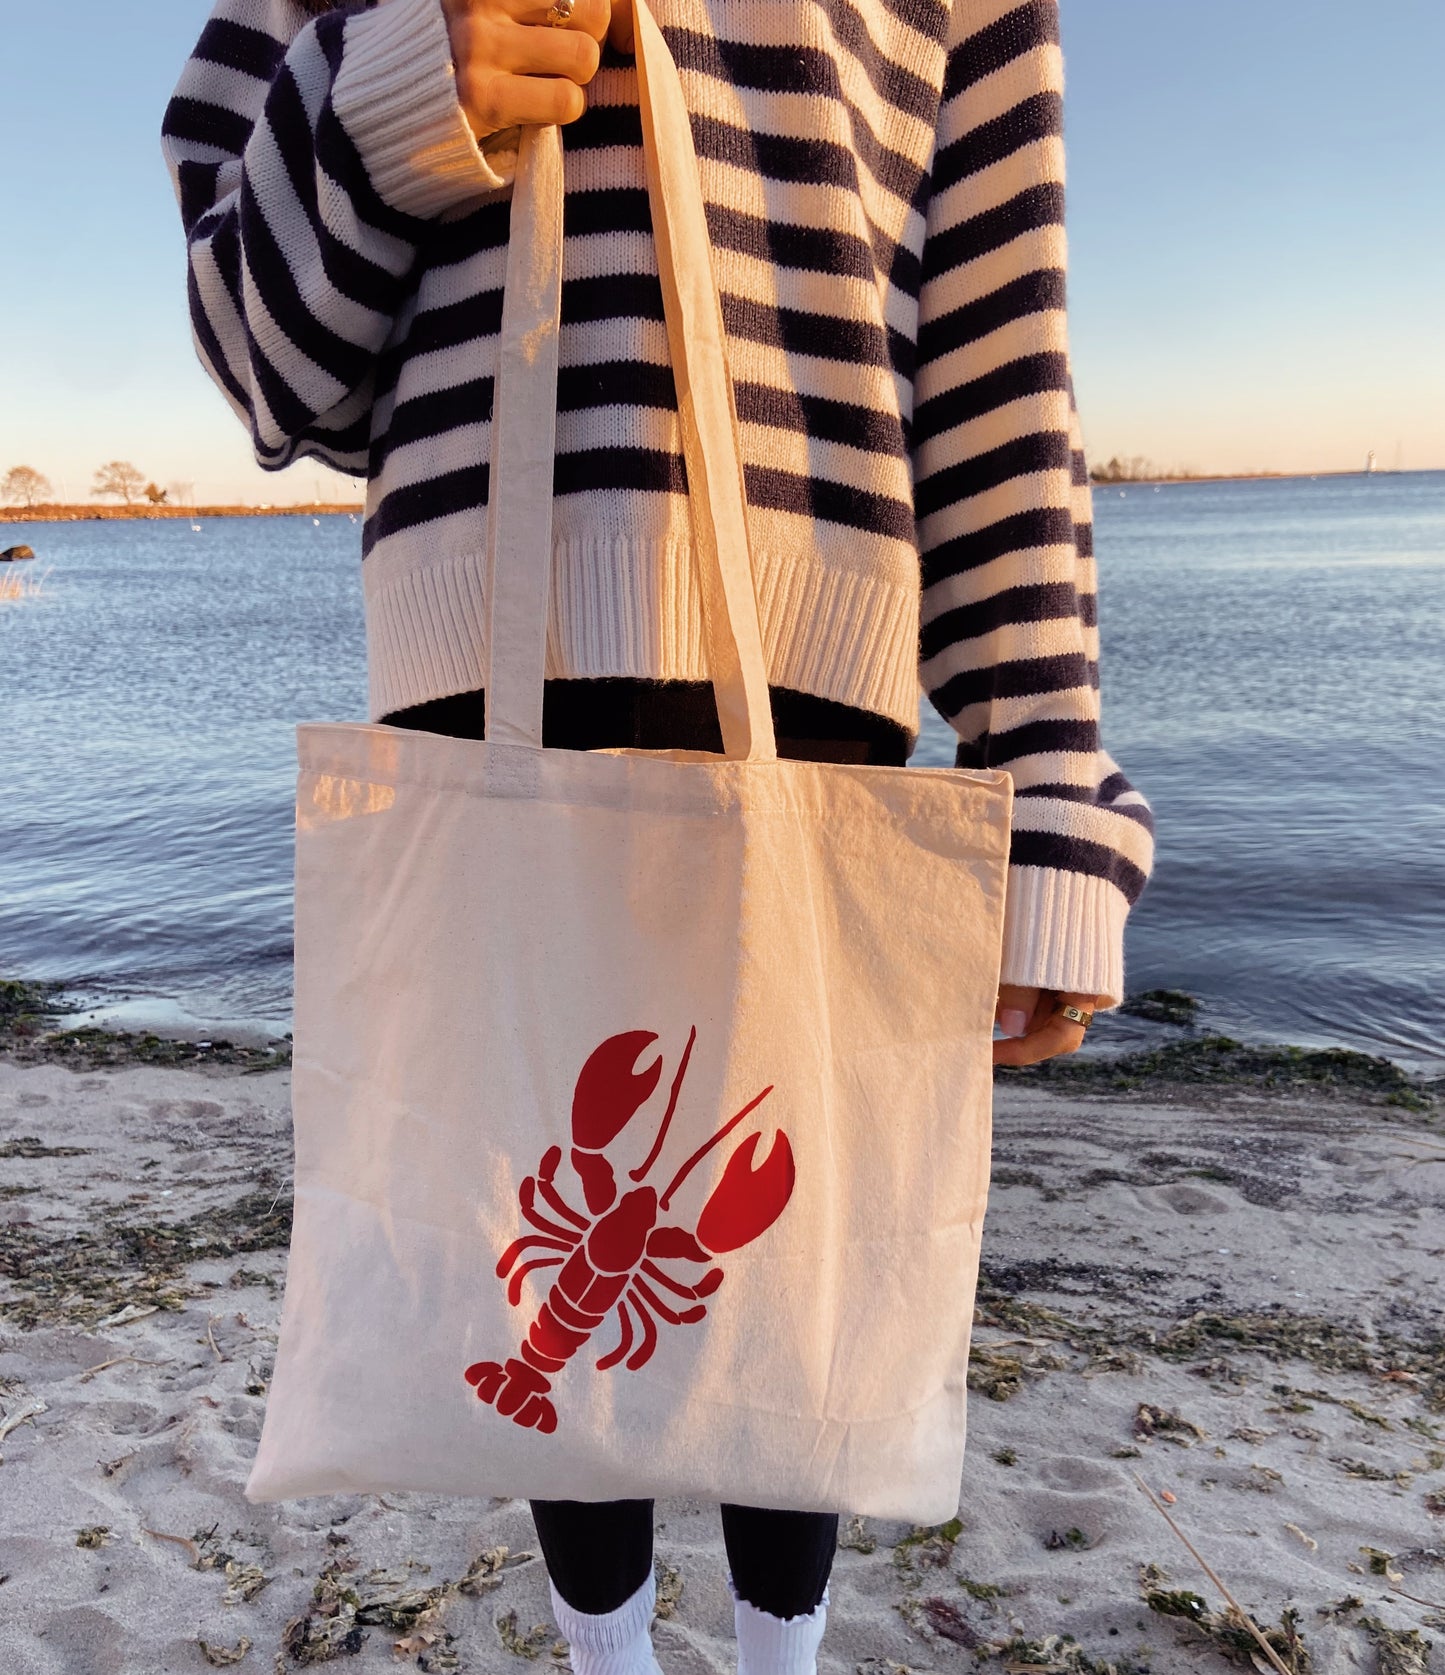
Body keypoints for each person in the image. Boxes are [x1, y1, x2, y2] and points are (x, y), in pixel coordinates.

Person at [162, 0, 1155, 1668]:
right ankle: (609, 1654)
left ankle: (775, 1655)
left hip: (820, 664)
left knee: (785, 1269)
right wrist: (398, 90)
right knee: (663, 1246)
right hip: (477, 656)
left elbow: (995, 367)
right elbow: (274, 376)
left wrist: (1051, 782)